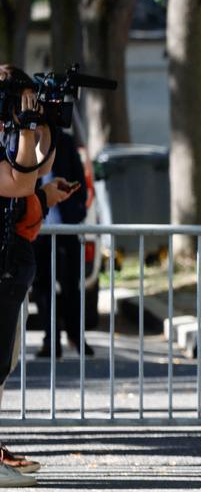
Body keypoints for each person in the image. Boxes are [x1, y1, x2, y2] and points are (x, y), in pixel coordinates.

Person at [0, 64, 76, 487]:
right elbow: (18, 182)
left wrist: (41, 126)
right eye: (21, 100)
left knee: (2, 361)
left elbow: (34, 173)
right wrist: (28, 128)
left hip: (11, 260)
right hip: (4, 260)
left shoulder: (10, 135)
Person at [34, 126, 91, 359]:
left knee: (71, 286)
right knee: (43, 287)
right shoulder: (23, 140)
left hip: (66, 228)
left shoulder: (64, 142)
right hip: (37, 230)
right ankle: (51, 340)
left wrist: (76, 213)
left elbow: (80, 183)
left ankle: (76, 336)